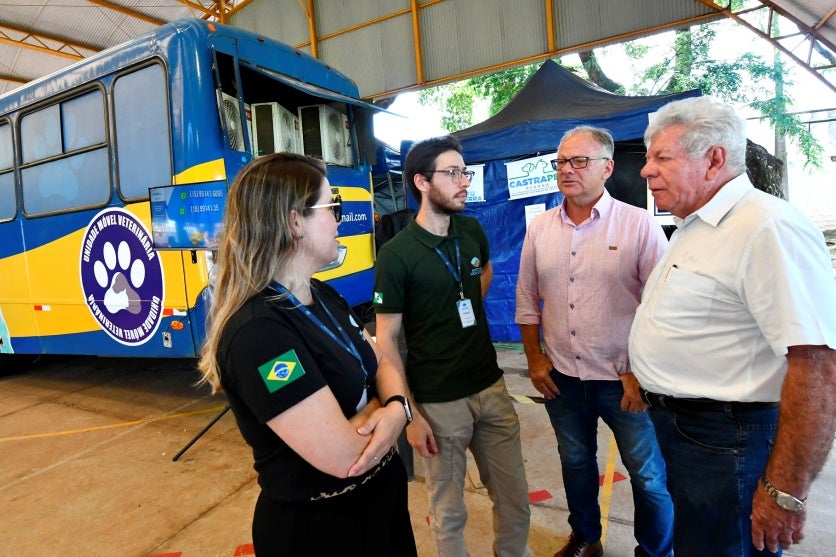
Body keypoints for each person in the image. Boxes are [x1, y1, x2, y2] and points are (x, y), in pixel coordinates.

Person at [629, 95, 836, 557]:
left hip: (728, 442)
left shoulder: (766, 227)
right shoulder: (696, 224)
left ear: (714, 160)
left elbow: (818, 367)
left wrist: (785, 491)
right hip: (693, 435)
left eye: (662, 158)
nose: (645, 171)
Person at [197, 153, 417, 557]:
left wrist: (394, 407)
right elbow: (344, 455)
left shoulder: (323, 294)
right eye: (332, 207)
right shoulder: (258, 332)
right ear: (295, 222)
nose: (339, 219)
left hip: (379, 510)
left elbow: (383, 362)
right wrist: (393, 410)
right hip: (324, 531)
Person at [515, 126, 674, 557]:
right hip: (563, 379)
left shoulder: (638, 224)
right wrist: (534, 358)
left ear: (607, 167)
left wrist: (642, 372)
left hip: (623, 381)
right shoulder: (540, 229)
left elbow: (663, 305)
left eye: (579, 161)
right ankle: (586, 538)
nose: (567, 170)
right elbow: (527, 298)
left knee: (648, 476)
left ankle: (656, 552)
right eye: (561, 162)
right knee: (576, 462)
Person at [373, 135, 532, 556]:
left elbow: (486, 269)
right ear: (422, 182)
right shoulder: (396, 255)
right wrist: (408, 414)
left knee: (515, 500)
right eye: (453, 173)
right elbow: (386, 341)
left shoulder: (471, 230)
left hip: (491, 388)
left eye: (465, 172)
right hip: (439, 403)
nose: (464, 182)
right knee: (448, 512)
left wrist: (465, 304)